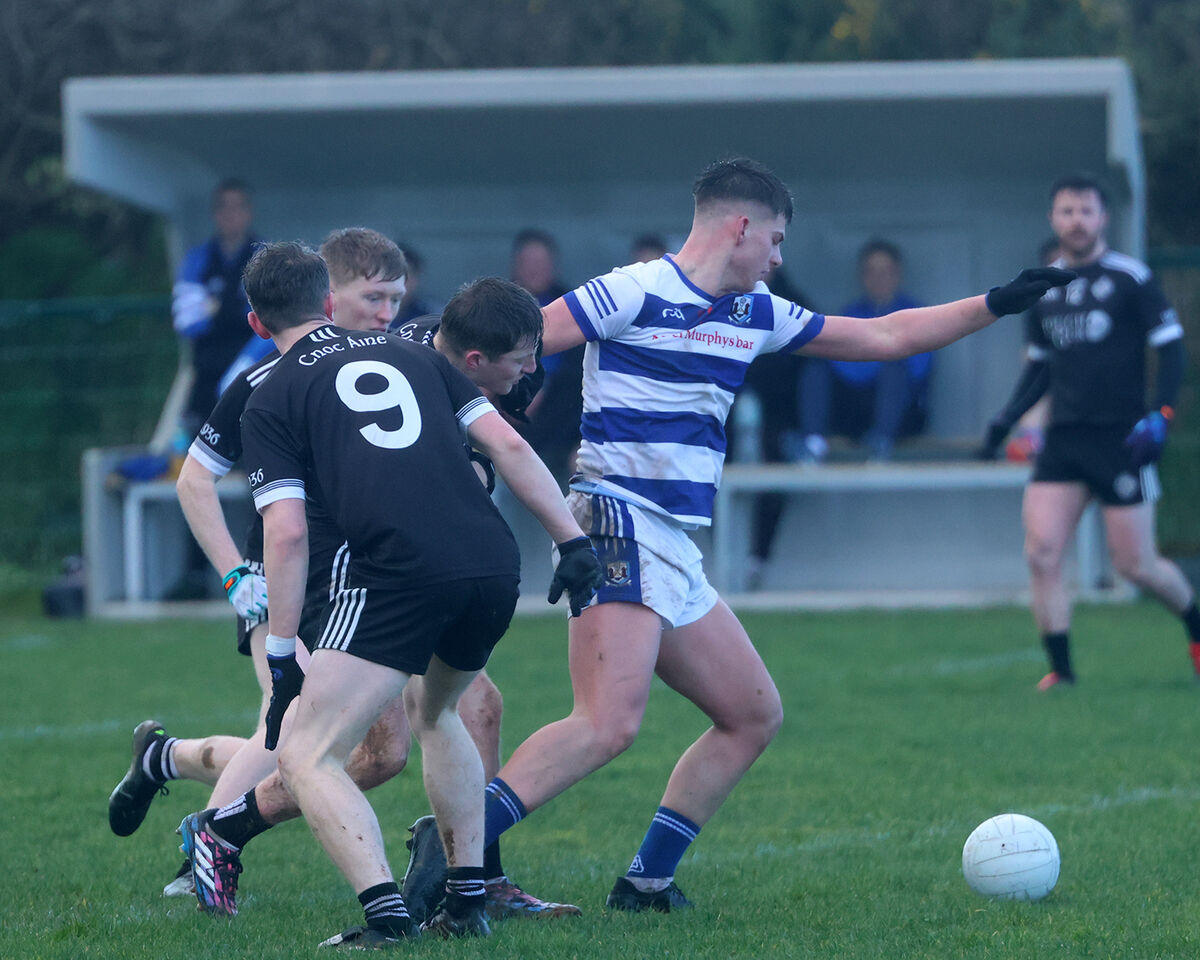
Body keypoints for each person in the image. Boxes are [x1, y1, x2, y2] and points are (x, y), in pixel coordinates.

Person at [400, 156, 1073, 915]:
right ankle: (454, 844)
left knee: (752, 715)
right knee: (605, 725)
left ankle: (646, 884)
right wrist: (433, 393)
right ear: (742, 227)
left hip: (673, 541)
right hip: (616, 519)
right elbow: (506, 343)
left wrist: (995, 303)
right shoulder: (632, 290)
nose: (779, 258)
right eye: (777, 240)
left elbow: (885, 336)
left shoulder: (756, 310)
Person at [176, 251, 600, 945]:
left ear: (255, 323)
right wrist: (572, 544)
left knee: (307, 754)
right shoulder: (419, 353)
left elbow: (285, 533)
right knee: (441, 714)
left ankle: (386, 918)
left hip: (397, 574)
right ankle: (466, 902)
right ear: (329, 301)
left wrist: (279, 647)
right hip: (491, 563)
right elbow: (509, 447)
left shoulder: (273, 392)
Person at [108, 228, 408, 891]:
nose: (387, 312)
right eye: (373, 298)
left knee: (382, 754)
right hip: (282, 576)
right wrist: (237, 576)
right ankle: (202, 860)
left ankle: (167, 759)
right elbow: (194, 479)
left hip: (359, 583)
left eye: (396, 298)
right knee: (287, 730)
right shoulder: (265, 379)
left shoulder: (391, 363)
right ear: (329, 298)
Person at [976, 174, 1200, 690]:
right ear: (1053, 219)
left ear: (1103, 219)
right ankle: (1063, 673)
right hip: (1064, 440)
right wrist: (1005, 421)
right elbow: (1040, 369)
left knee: (1136, 565)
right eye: (1067, 211)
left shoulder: (1130, 278)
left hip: (1123, 440)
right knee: (1041, 553)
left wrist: (1161, 416)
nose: (1077, 221)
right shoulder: (1044, 287)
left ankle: (1195, 626)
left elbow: (1171, 350)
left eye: (1086, 211)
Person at [797, 239, 933, 462]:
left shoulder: (916, 314)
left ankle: (881, 446)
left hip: (902, 413)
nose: (878, 279)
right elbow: (837, 361)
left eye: (885, 272)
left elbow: (918, 369)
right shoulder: (851, 313)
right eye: (871, 272)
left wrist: (868, 358)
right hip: (856, 410)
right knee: (817, 365)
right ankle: (813, 444)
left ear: (897, 274)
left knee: (894, 365)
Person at [510, 228, 582, 485]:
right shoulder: (496, 310)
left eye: (541, 262)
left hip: (564, 429)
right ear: (515, 265)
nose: (534, 270)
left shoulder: (575, 308)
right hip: (509, 422)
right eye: (528, 262)